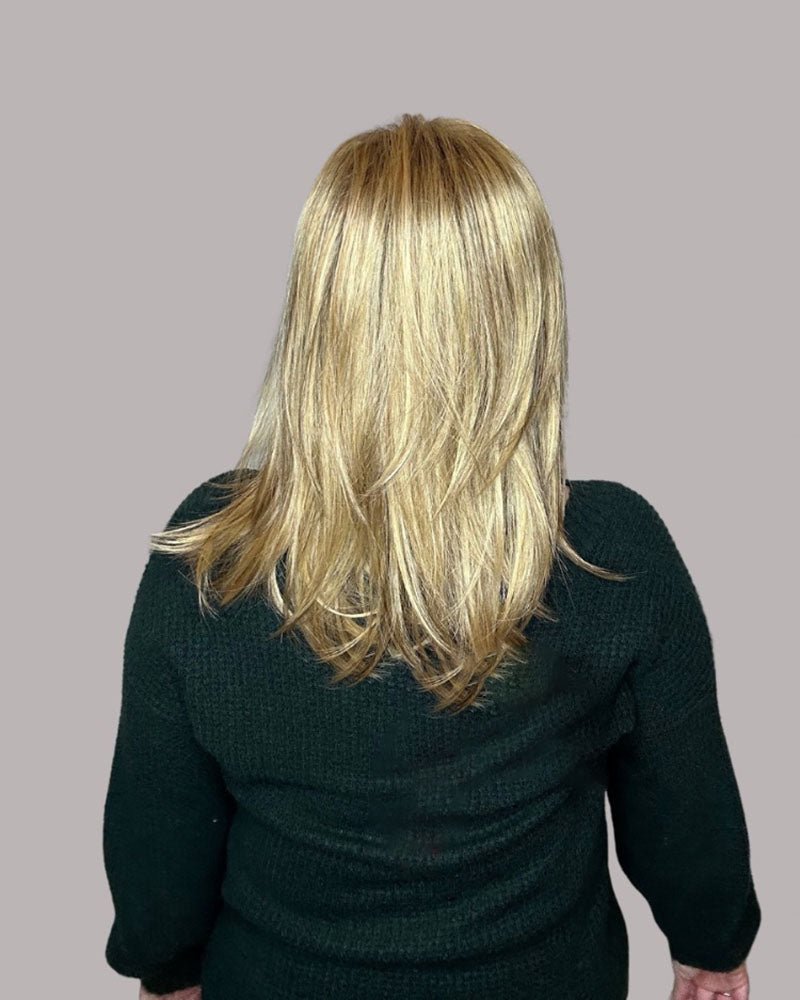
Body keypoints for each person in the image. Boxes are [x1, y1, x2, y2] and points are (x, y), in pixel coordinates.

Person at [102, 113, 761, 1000]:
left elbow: (158, 828)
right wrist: (711, 946)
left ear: (323, 306)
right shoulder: (611, 551)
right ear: (526, 308)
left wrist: (167, 967)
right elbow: (684, 807)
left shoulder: (217, 550)